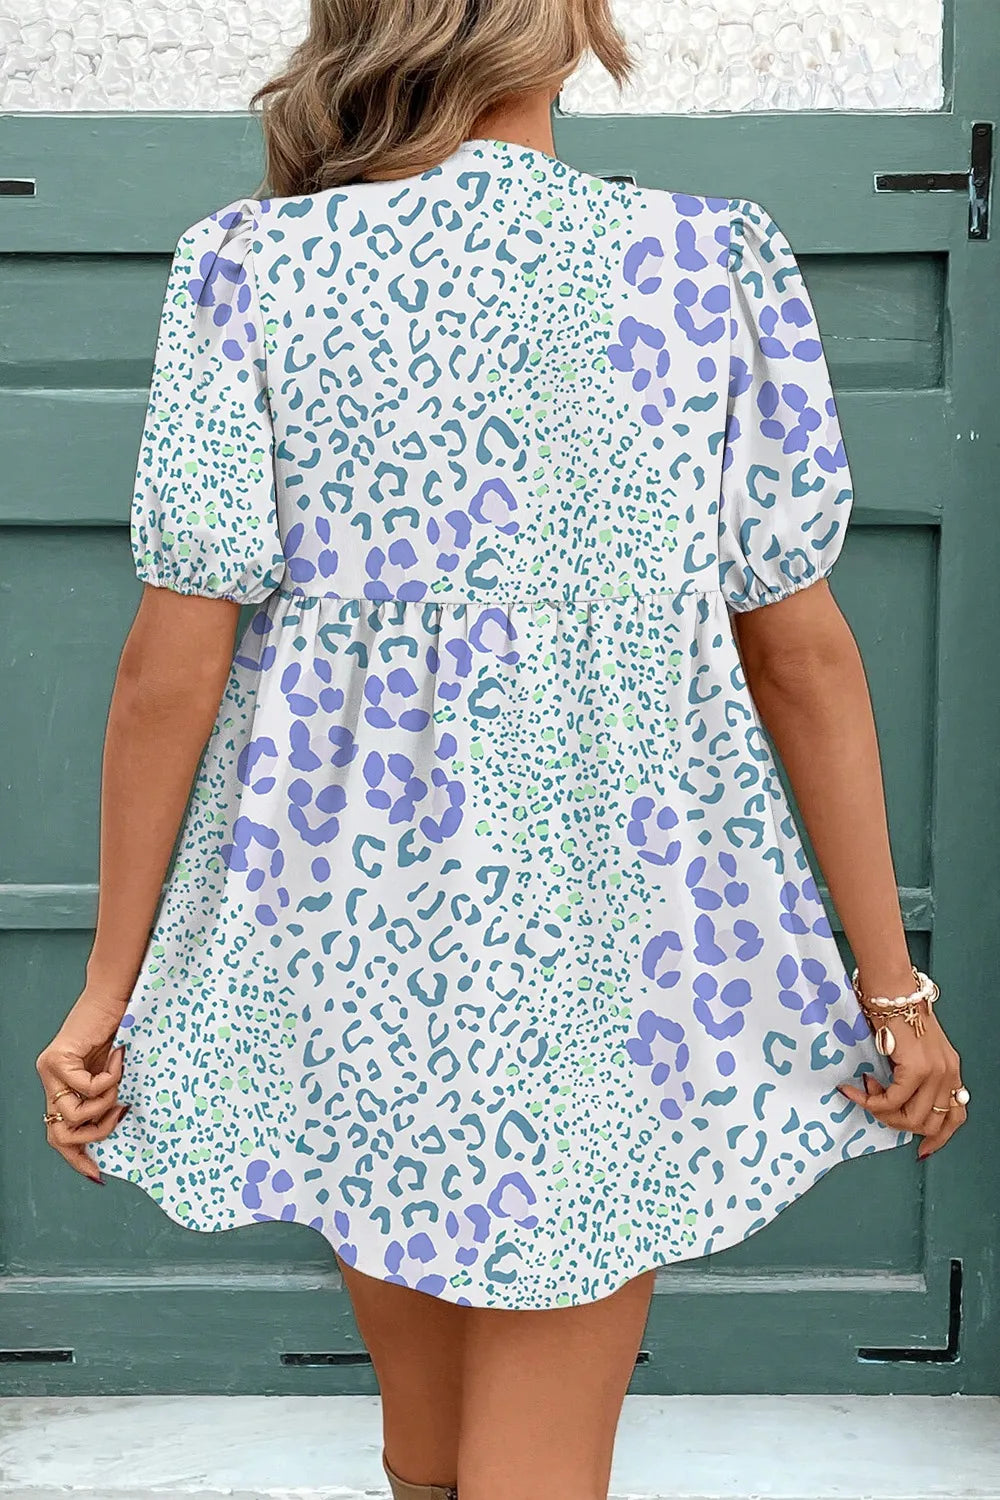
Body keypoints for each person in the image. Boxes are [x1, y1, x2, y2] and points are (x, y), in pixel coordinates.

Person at [36, 4, 969, 1498]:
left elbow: (170, 667)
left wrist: (110, 987)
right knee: (540, 1456)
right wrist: (892, 988)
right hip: (613, 909)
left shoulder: (252, 264)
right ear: (567, 27)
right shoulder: (699, 260)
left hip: (345, 904)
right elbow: (798, 655)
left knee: (428, 1444)